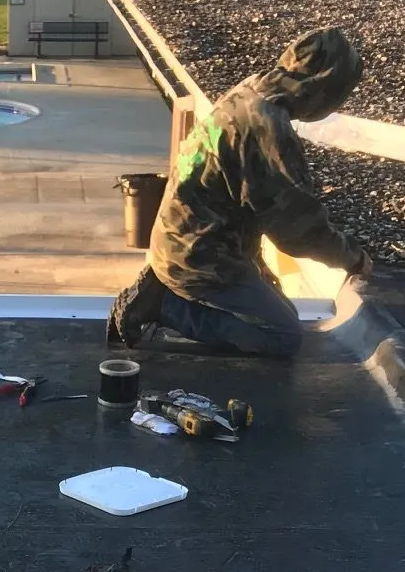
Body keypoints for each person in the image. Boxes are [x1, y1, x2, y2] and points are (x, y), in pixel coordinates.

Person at [107, 25, 372, 357]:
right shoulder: (268, 127)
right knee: (282, 336)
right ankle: (162, 307)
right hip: (199, 257)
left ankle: (167, 292)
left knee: (284, 314)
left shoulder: (249, 92)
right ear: (324, 87)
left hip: (187, 243)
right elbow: (297, 229)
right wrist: (352, 258)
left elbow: (248, 198)